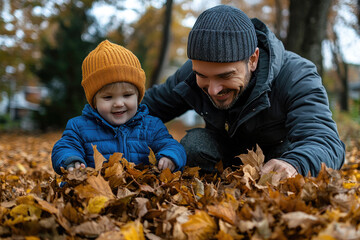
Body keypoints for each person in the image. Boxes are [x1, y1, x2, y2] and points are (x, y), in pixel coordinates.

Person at [142, 5, 345, 179]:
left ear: (253, 59)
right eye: (202, 75)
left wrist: (296, 164)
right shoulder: (191, 74)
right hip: (222, 154)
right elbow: (146, 108)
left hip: (275, 160)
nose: (213, 89)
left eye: (225, 76)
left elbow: (325, 141)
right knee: (193, 145)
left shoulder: (296, 74)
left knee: (289, 153)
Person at [52, 40, 186, 175]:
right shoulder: (79, 127)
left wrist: (170, 156)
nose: (118, 103)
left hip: (140, 191)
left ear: (138, 96)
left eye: (127, 95)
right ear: (94, 101)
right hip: (96, 191)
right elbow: (65, 146)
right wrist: (71, 161)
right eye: (108, 97)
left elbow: (171, 145)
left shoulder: (151, 126)